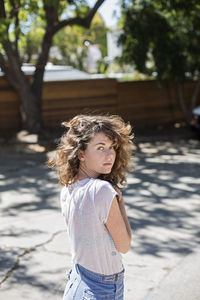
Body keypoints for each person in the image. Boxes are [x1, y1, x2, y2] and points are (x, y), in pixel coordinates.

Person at [48, 114, 134, 300]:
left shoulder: (68, 188)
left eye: (112, 147)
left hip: (78, 284)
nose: (110, 154)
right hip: (99, 290)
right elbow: (124, 245)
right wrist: (121, 202)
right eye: (100, 148)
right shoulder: (101, 190)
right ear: (81, 154)